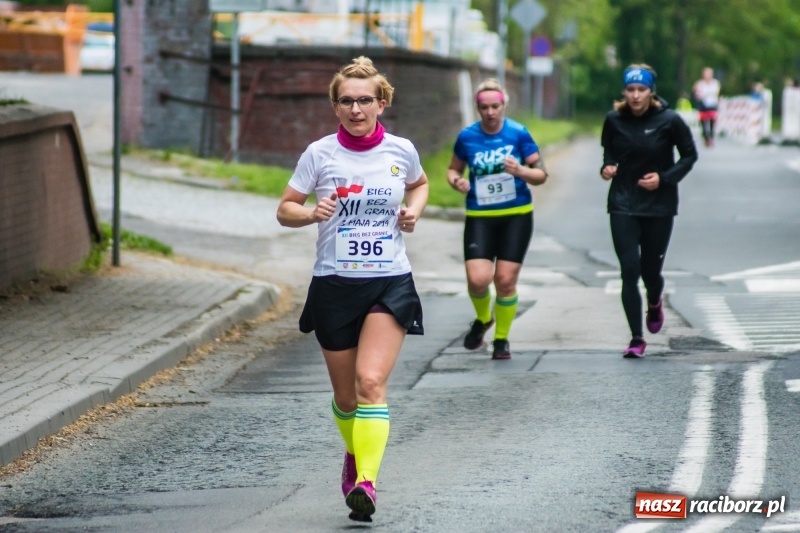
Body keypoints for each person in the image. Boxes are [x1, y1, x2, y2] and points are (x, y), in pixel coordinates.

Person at [276, 56, 429, 522]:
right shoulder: (319, 154)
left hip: (388, 281)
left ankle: (367, 479)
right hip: (335, 284)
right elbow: (285, 208)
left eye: (365, 100)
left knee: (370, 384)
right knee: (346, 399)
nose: (356, 108)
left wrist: (413, 212)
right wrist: (310, 214)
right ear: (335, 106)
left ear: (382, 103)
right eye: (347, 101)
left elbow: (419, 186)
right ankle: (354, 453)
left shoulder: (401, 151)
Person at [600, 64, 698, 358]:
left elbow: (690, 155)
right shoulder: (614, 119)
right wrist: (607, 167)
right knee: (629, 271)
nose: (635, 95)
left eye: (641, 90)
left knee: (650, 272)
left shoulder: (669, 120)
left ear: (651, 92)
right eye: (630, 90)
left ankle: (654, 301)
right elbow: (609, 151)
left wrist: (664, 179)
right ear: (624, 92)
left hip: (659, 205)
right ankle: (636, 338)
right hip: (623, 202)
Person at [447, 79, 548, 360]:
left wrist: (521, 172)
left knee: (505, 280)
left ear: (504, 105)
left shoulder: (518, 133)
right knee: (478, 280)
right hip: (480, 216)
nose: (490, 112)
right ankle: (483, 319)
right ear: (477, 108)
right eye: (484, 107)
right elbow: (453, 170)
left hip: (516, 215)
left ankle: (501, 339)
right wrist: (457, 183)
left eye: (495, 106)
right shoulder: (467, 136)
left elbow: (540, 175)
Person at [693, 66, 721, 147]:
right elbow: (697, 94)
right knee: (703, 122)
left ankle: (711, 137)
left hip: (712, 104)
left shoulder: (715, 83)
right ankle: (706, 137)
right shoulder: (699, 83)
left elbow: (717, 93)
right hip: (703, 105)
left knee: (712, 121)